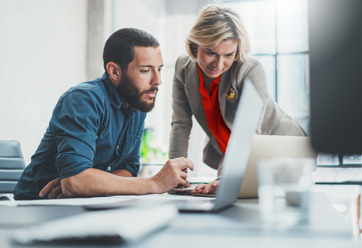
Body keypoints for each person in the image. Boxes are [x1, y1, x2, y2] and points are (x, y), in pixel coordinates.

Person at [14, 28, 193, 200]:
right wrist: (154, 183)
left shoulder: (137, 103)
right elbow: (75, 181)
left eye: (159, 69)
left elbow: (128, 169)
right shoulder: (83, 99)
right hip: (35, 205)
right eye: (145, 70)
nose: (158, 80)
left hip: (85, 205)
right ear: (114, 71)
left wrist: (88, 184)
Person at [169, 5, 305, 194]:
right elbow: (181, 125)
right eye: (211, 53)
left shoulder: (249, 70)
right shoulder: (182, 69)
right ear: (194, 45)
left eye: (229, 55)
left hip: (281, 150)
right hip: (232, 156)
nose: (219, 64)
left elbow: (248, 134)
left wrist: (225, 177)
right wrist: (175, 176)